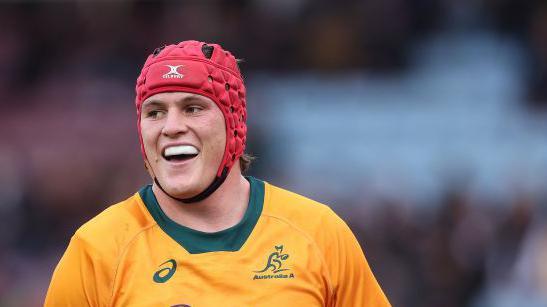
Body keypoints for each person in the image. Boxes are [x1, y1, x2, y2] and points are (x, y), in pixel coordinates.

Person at [44, 40, 390, 306]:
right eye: (155, 112)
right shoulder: (97, 249)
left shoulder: (319, 233)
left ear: (234, 125)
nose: (171, 127)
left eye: (193, 108)